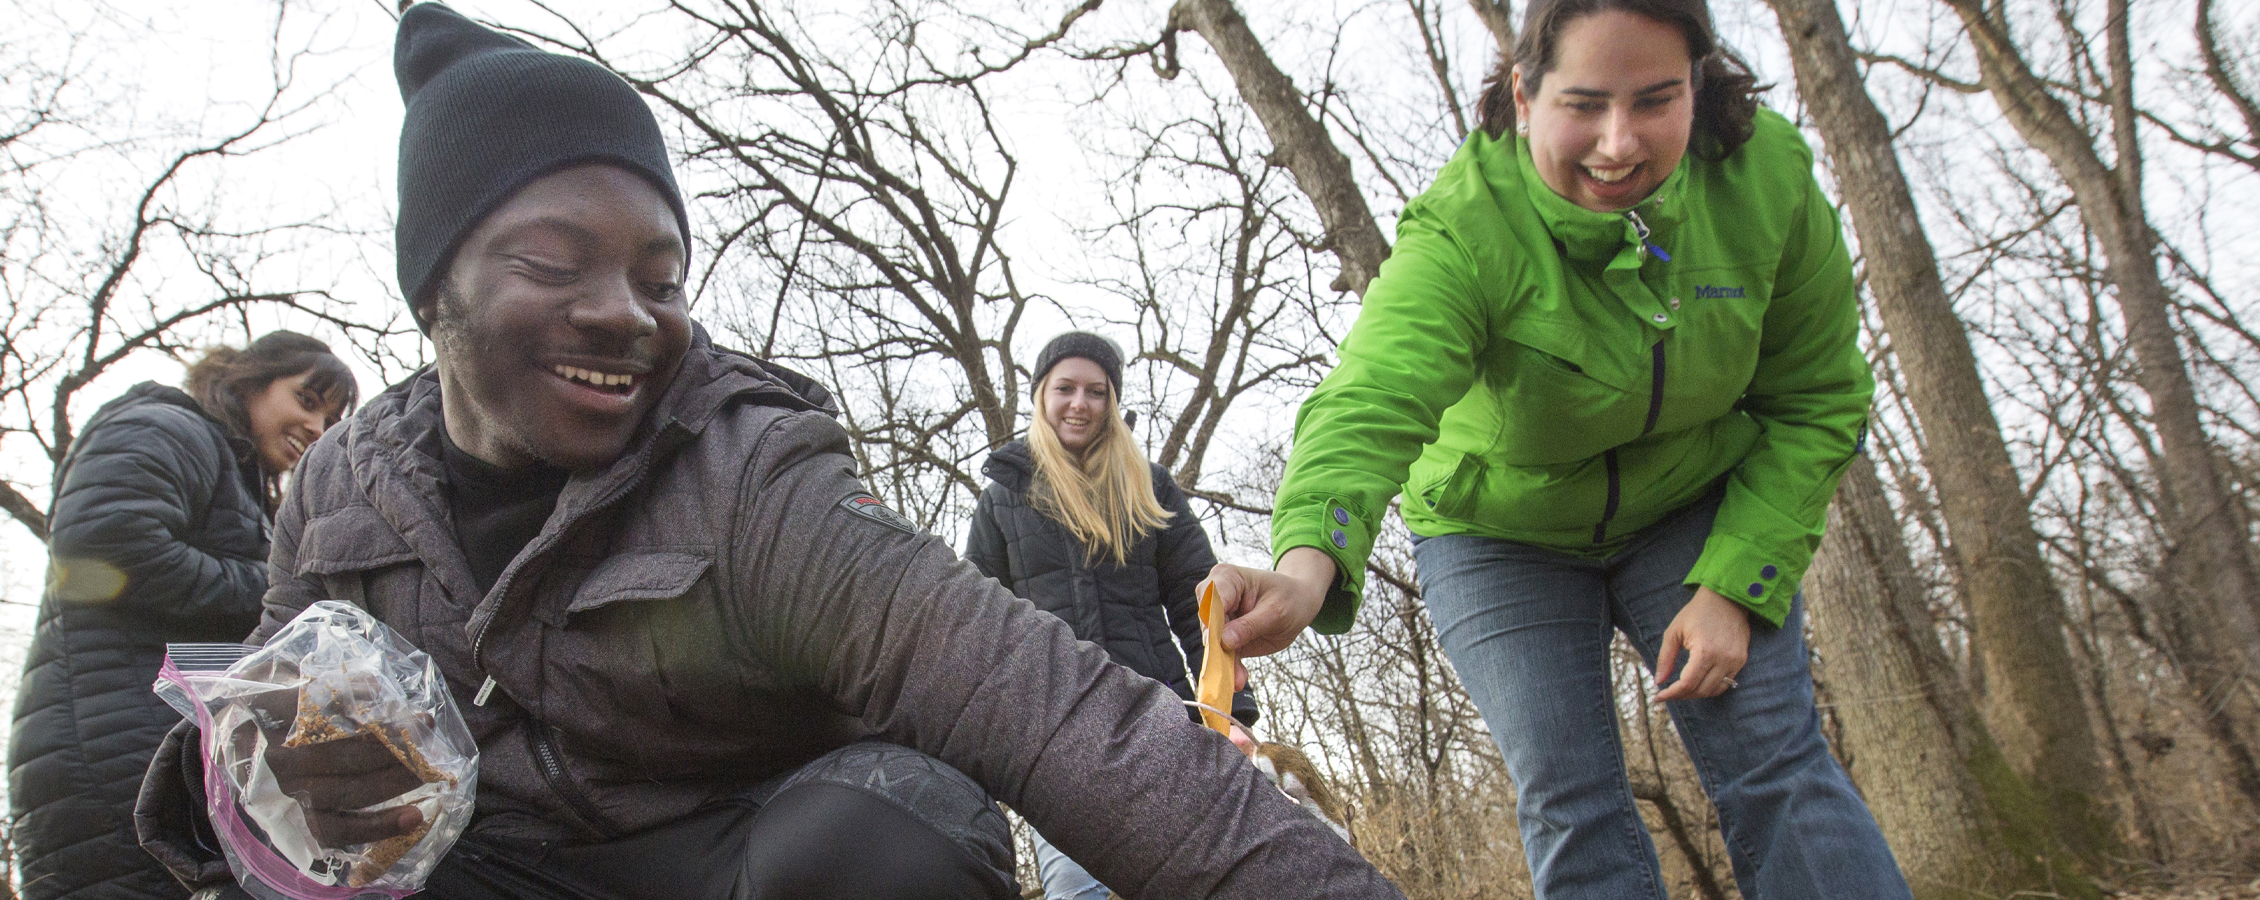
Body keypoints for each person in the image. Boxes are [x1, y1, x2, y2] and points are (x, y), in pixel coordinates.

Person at [132, 6, 1397, 900]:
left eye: (658, 272)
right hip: (501, 868)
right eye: (551, 263)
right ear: (433, 291)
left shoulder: (743, 476)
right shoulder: (339, 490)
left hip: (739, 856)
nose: (623, 312)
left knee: (887, 840)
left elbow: (1052, 712)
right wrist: (230, 787)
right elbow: (261, 716)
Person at [1202, 0, 1913, 897]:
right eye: (1584, 104)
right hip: (1497, 532)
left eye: (1656, 99)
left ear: (1699, 81)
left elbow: (1820, 397)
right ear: (1523, 93)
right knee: (1568, 793)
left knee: (1775, 759)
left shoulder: (1763, 179)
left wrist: (1736, 583)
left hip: (1694, 499)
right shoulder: (1465, 228)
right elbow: (1370, 401)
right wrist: (1306, 569)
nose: (1619, 144)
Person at [11, 331, 356, 900]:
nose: (317, 430)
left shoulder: (236, 480)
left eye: (332, 418)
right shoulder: (169, 424)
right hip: (111, 751)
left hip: (146, 748)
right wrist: (277, 596)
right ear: (250, 379)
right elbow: (105, 547)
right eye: (307, 400)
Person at [963, 331, 1260, 900]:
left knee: (1189, 880)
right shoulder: (1003, 498)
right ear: (1042, 397)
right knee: (1079, 891)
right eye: (1065, 388)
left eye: (1096, 392)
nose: (1080, 403)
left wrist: (1233, 713)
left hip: (1162, 717)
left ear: (1112, 402)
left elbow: (1201, 605)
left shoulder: (1149, 488)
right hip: (1053, 734)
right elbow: (977, 624)